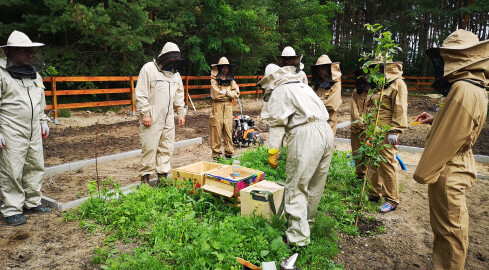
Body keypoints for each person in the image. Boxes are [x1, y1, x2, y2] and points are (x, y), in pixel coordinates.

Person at [413, 29, 488, 270]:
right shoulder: (474, 85)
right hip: (456, 164)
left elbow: (447, 142)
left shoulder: (464, 89)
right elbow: (463, 123)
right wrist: (437, 117)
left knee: (450, 231)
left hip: (449, 167)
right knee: (449, 227)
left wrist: (422, 172)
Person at [259, 63, 334, 247]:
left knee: (296, 186)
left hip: (305, 135)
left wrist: (274, 151)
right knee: (316, 183)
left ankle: (297, 237)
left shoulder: (279, 91)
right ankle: (307, 223)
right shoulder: (303, 87)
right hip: (326, 132)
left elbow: (277, 125)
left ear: (271, 80)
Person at [0, 30, 51, 226]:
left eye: (31, 51)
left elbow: (40, 101)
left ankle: (32, 202)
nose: (30, 55)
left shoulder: (34, 73)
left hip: (33, 128)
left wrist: (42, 120)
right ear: (12, 52)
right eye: (25, 51)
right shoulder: (1, 74)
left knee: (35, 164)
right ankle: (12, 209)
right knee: (11, 169)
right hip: (11, 128)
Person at [135, 42, 186, 184]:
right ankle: (145, 178)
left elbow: (179, 94)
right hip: (152, 114)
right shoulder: (149, 69)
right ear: (165, 57)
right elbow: (140, 93)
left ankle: (162, 178)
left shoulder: (175, 75)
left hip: (168, 116)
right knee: (149, 146)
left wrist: (180, 113)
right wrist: (145, 113)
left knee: (167, 146)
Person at [365, 60, 408, 213]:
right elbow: (371, 106)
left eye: (377, 67)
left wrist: (394, 131)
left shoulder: (397, 84)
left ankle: (392, 199)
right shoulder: (378, 84)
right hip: (373, 130)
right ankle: (374, 193)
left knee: (387, 163)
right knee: (373, 161)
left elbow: (400, 109)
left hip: (386, 131)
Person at [209, 57, 239, 159]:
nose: (225, 69)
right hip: (217, 108)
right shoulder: (214, 80)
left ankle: (229, 153)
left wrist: (226, 92)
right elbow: (216, 95)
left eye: (226, 67)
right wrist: (229, 94)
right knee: (216, 130)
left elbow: (236, 94)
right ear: (219, 68)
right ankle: (216, 154)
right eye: (223, 67)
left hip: (228, 108)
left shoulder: (231, 81)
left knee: (228, 130)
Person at [311, 55, 342, 136]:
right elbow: (307, 101)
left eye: (323, 68)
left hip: (329, 123)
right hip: (315, 124)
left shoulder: (336, 85)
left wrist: (314, 104)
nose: (321, 71)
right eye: (319, 69)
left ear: (329, 69)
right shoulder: (315, 86)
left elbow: (331, 105)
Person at [350, 69, 369, 180]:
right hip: (356, 127)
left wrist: (364, 121)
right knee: (357, 150)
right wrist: (358, 120)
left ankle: (370, 177)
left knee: (368, 151)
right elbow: (354, 109)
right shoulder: (355, 92)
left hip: (369, 127)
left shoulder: (373, 92)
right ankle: (360, 175)